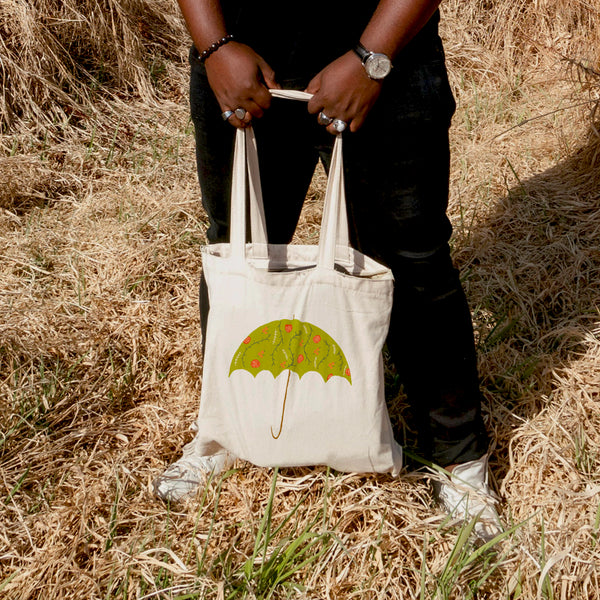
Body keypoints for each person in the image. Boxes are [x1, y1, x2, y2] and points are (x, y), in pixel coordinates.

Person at [154, 0, 502, 540]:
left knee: (414, 259)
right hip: (240, 51)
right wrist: (214, 46)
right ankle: (225, 431)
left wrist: (372, 59)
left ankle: (458, 458)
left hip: (387, 49)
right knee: (239, 250)